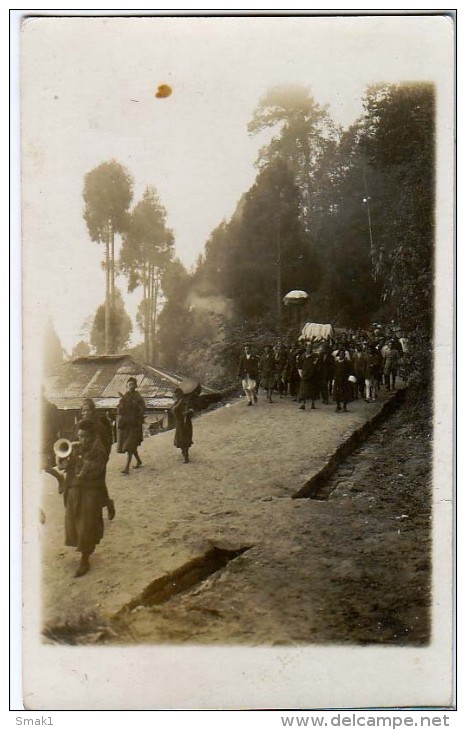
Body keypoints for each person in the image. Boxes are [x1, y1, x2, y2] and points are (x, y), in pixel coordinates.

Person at [57, 418, 107, 577]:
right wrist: (63, 460)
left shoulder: (99, 450)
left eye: (85, 437)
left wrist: (80, 462)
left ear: (92, 435)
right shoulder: (77, 447)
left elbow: (94, 470)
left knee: (87, 524)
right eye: (79, 436)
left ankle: (85, 559)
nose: (82, 440)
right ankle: (81, 549)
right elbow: (64, 468)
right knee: (73, 520)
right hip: (74, 488)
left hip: (90, 489)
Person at [80, 398, 115, 520]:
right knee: (91, 486)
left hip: (99, 460)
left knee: (98, 485)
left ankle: (106, 505)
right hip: (85, 461)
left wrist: (105, 458)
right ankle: (105, 504)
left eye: (88, 410)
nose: (85, 413)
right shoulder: (81, 425)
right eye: (83, 410)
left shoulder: (99, 425)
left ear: (92, 410)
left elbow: (107, 442)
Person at [117, 377, 145, 475]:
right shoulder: (125, 396)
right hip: (127, 424)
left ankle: (127, 468)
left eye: (133, 384)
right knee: (132, 445)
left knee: (129, 445)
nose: (131, 386)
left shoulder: (138, 396)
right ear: (127, 386)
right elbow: (120, 410)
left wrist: (136, 407)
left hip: (135, 424)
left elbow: (142, 408)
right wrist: (121, 403)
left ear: (136, 386)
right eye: (129, 384)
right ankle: (139, 461)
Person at [297, 342, 322, 410]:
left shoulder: (315, 356)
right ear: (306, 348)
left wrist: (316, 372)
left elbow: (318, 365)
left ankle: (312, 403)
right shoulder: (302, 356)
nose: (309, 349)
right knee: (303, 390)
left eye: (310, 347)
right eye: (308, 347)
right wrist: (301, 373)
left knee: (313, 390)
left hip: (313, 375)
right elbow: (299, 365)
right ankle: (303, 404)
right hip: (304, 375)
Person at [172, 387, 194, 463]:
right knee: (181, 440)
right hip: (180, 424)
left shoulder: (186, 403)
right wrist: (180, 403)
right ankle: (184, 454)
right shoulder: (176, 404)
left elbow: (191, 411)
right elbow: (175, 412)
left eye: (179, 395)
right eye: (176, 396)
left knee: (187, 439)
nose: (177, 397)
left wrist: (190, 411)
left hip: (187, 424)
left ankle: (186, 455)